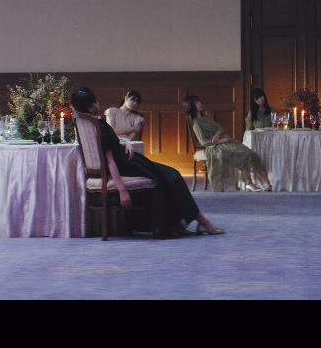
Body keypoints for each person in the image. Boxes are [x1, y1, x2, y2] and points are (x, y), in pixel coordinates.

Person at [72, 87, 224, 236]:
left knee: (171, 176)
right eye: (92, 104)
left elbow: (110, 145)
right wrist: (122, 190)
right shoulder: (100, 126)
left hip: (127, 160)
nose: (97, 106)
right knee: (173, 176)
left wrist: (126, 144)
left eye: (95, 102)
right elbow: (110, 161)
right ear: (88, 107)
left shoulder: (88, 124)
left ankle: (180, 224)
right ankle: (201, 221)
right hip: (127, 165)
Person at [185, 94, 273, 192]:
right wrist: (220, 141)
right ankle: (249, 182)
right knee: (243, 155)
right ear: (192, 106)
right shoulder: (196, 123)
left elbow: (220, 128)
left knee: (251, 153)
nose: (200, 103)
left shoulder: (206, 118)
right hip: (214, 146)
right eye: (196, 102)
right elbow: (203, 142)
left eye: (199, 101)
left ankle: (266, 182)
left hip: (225, 140)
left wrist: (218, 134)